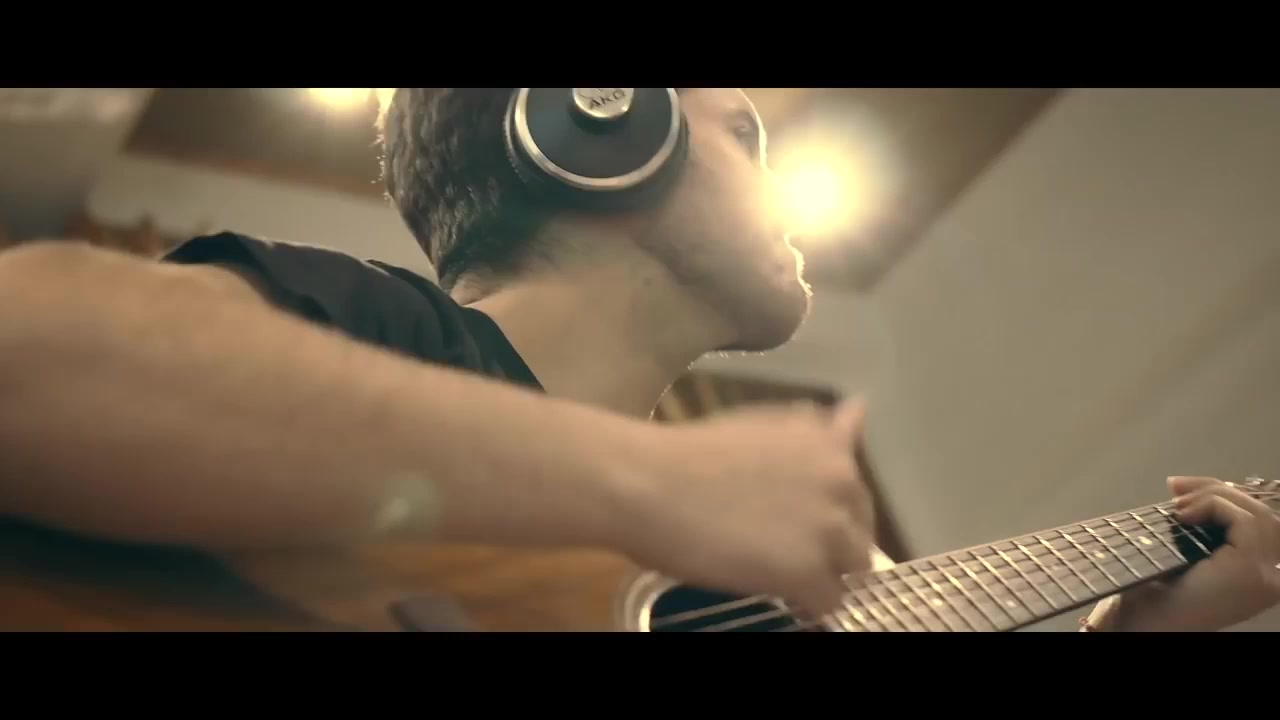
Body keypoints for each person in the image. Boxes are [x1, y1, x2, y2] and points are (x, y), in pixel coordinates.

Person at [0, 88, 1276, 631]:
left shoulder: (724, 570)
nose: (774, 191)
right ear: (597, 134)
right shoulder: (378, 329)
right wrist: (649, 482)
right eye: (743, 135)